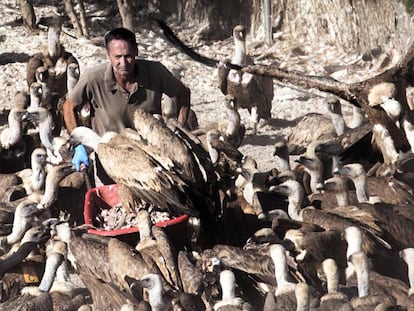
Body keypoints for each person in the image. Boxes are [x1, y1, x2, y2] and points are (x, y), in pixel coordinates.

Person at [63, 27, 191, 184]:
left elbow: (183, 93)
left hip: (151, 161)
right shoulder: (93, 78)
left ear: (136, 51)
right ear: (108, 55)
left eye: (128, 56)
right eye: (117, 57)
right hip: (111, 162)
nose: (123, 63)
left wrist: (178, 129)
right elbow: (69, 106)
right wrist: (78, 145)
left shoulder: (155, 72)